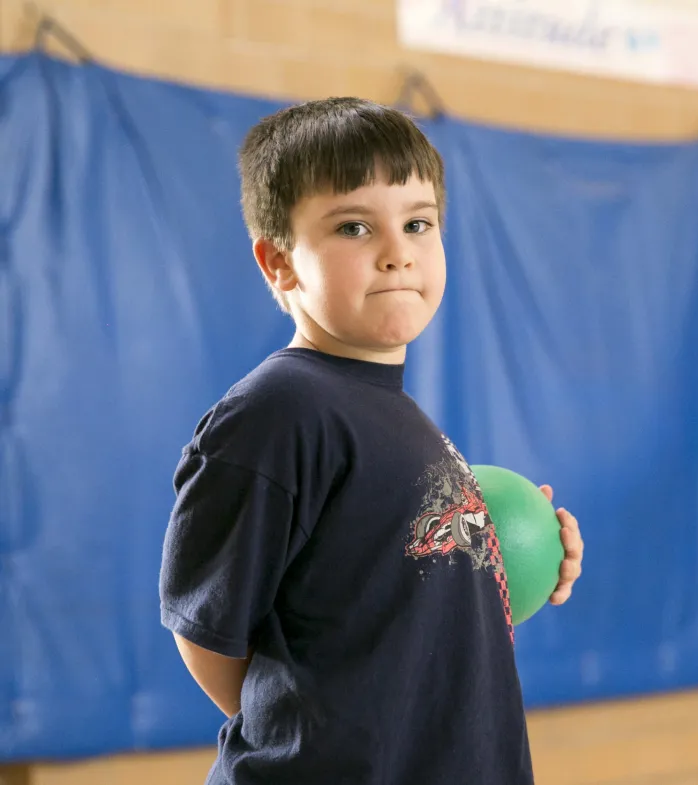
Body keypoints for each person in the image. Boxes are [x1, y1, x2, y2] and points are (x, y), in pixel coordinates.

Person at [159, 97, 584, 785]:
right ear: (280, 264)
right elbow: (205, 632)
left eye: (418, 223)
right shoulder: (278, 410)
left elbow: (384, 608)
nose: (396, 253)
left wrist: (500, 565)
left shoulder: (402, 419)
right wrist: (323, 729)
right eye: (354, 226)